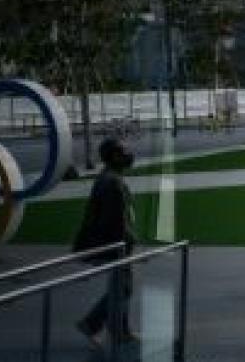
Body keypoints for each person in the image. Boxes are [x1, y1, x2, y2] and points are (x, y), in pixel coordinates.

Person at [73, 139, 138, 351]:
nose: (129, 154)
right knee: (123, 287)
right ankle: (93, 324)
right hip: (115, 245)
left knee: (121, 286)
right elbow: (114, 220)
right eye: (124, 151)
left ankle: (120, 330)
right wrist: (126, 243)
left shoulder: (109, 178)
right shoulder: (112, 183)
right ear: (114, 156)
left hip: (114, 243)